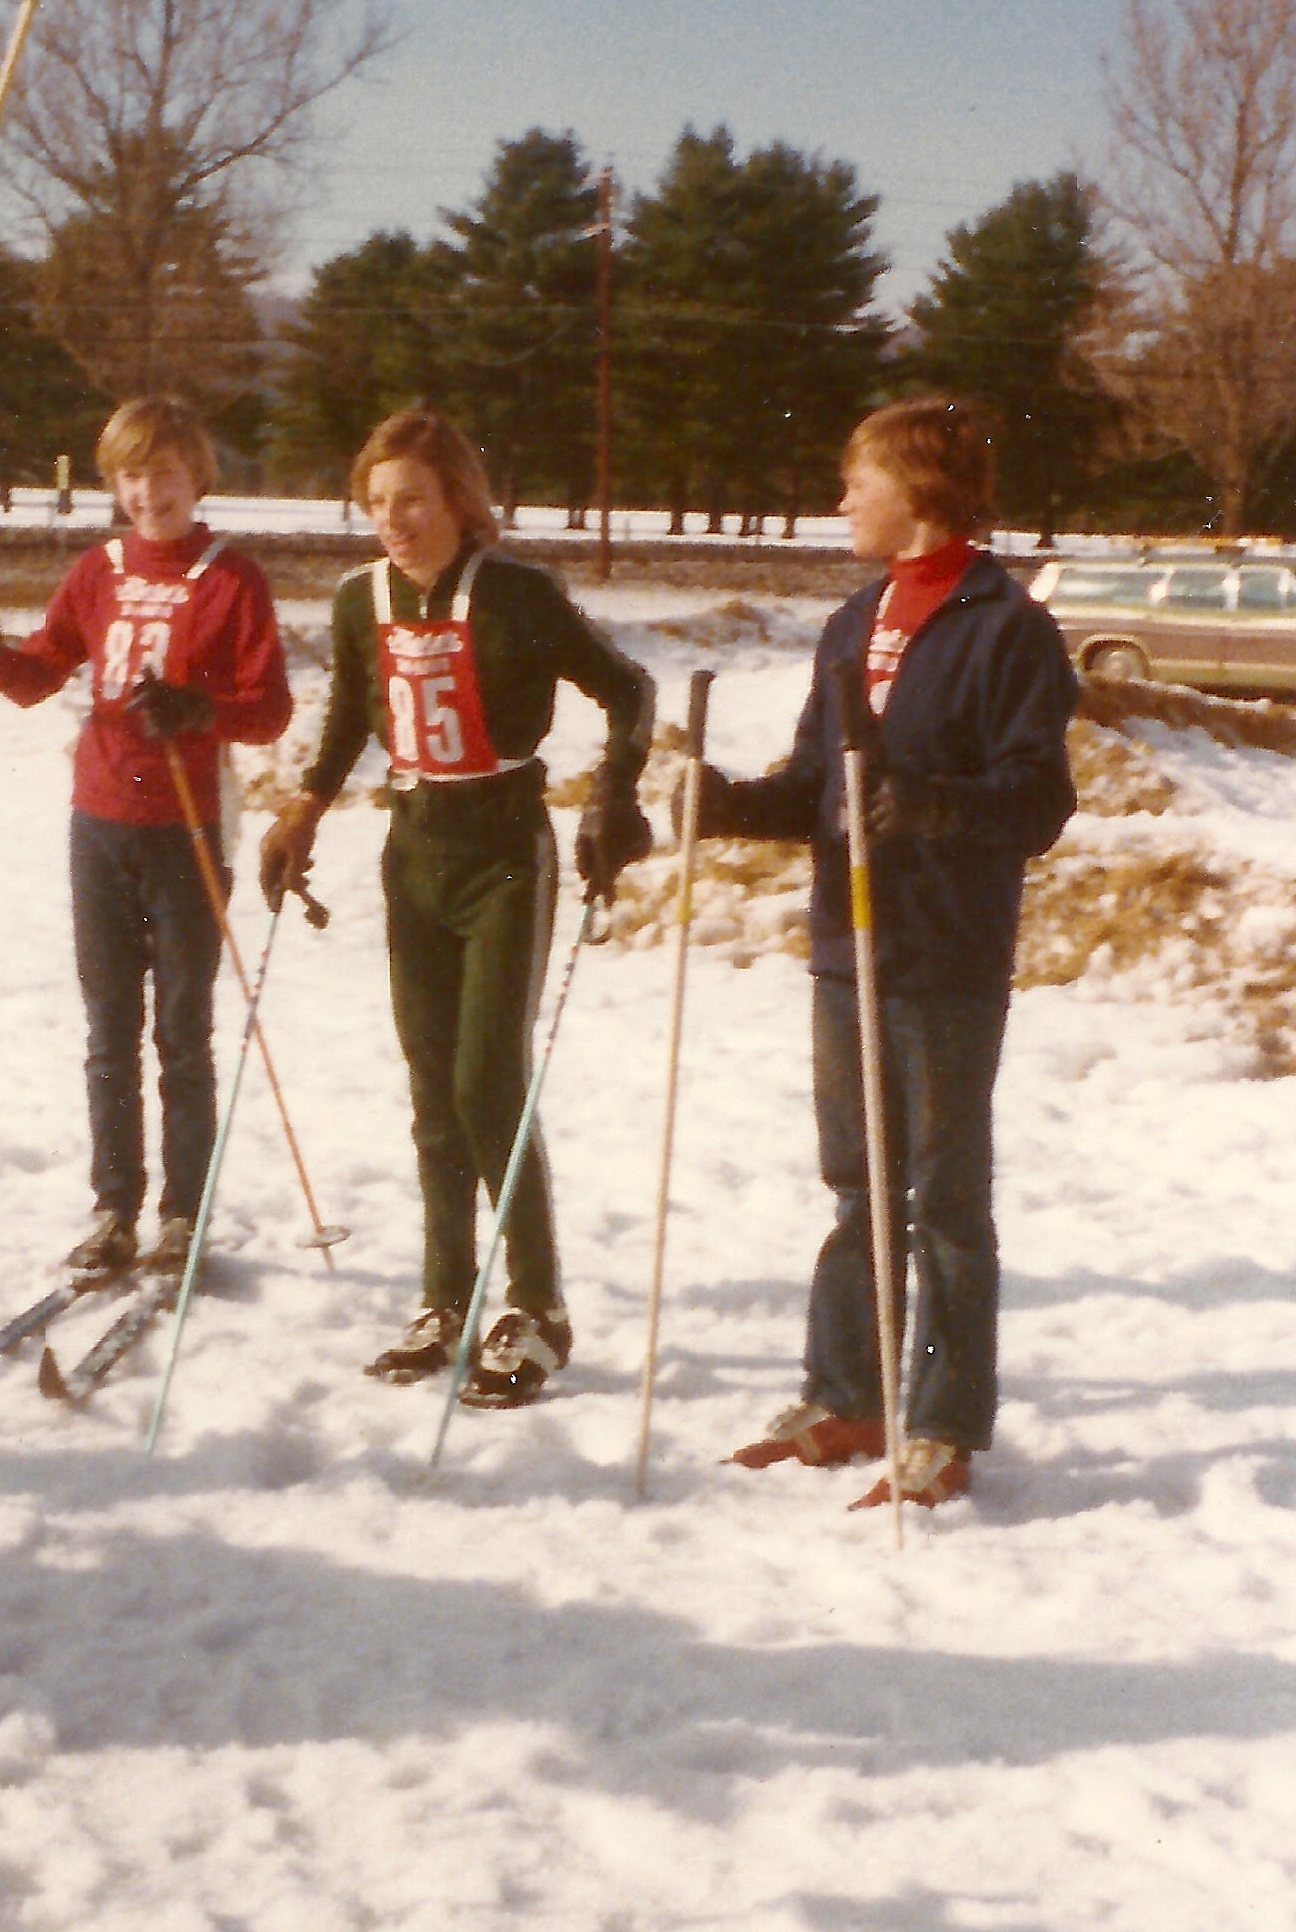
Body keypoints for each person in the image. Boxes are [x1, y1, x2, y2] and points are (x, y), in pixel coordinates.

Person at [692, 396, 1076, 1508]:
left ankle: (943, 1421)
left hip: (946, 951)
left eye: (857, 479)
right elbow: (821, 784)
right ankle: (849, 1394)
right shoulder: (855, 619)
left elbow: (1037, 800)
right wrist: (729, 806)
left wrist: (934, 805)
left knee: (943, 1195)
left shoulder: (1007, 626)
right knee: (857, 1185)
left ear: (918, 486)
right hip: (847, 942)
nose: (841, 499)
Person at [258, 407, 655, 1408]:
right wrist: (302, 811)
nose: (394, 520)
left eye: (413, 500)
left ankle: (539, 1304)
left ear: (458, 501)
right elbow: (349, 718)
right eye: (377, 502)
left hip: (504, 850)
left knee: (487, 1079)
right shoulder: (362, 599)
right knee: (433, 1088)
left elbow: (628, 688)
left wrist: (614, 791)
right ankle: (444, 1296)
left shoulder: (517, 593)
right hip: (414, 849)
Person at [0, 396, 291, 1278]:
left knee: (181, 1032)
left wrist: (199, 708)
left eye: (165, 472)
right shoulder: (97, 569)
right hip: (99, 823)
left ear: (197, 475)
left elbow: (268, 709)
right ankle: (113, 1208)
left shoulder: (230, 576)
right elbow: (38, 674)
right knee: (108, 1031)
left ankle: (182, 1215)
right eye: (132, 475)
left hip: (186, 826)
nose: (149, 492)